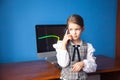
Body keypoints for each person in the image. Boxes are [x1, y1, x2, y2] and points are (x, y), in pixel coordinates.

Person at [53, 14, 97, 80]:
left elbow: (93, 68)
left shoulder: (88, 46)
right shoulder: (62, 45)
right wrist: (64, 44)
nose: (74, 32)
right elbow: (63, 64)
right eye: (71, 29)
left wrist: (83, 63)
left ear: (82, 29)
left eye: (77, 29)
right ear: (67, 30)